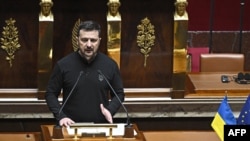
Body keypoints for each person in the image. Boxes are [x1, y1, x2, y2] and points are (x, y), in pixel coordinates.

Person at [45, 20, 125, 127]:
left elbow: (119, 93)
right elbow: (50, 94)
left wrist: (110, 110)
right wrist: (61, 116)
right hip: (69, 127)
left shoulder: (110, 65)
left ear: (99, 41)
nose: (89, 45)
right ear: (77, 40)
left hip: (100, 127)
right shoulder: (63, 65)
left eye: (93, 40)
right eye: (84, 40)